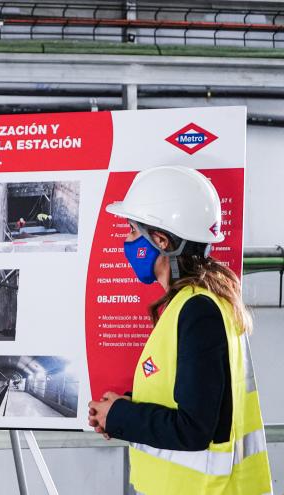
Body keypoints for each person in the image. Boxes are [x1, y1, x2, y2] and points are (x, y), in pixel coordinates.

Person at [87, 166, 271, 494]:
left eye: (132, 231)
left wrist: (120, 417)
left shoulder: (199, 310)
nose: (125, 241)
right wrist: (122, 409)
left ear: (161, 241)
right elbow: (190, 396)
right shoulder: (192, 303)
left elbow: (193, 428)